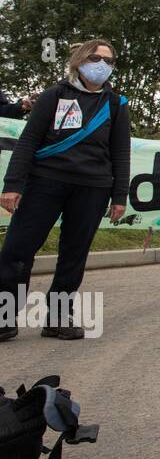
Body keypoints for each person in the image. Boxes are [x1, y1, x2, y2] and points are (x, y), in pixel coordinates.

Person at [1, 40, 130, 342]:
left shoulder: (115, 104)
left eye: (109, 61)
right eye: (96, 57)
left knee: (73, 256)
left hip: (93, 188)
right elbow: (28, 141)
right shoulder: (53, 96)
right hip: (44, 182)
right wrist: (12, 185)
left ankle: (57, 319)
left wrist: (119, 196)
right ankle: (5, 318)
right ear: (79, 60)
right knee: (16, 251)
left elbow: (120, 152)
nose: (102, 65)